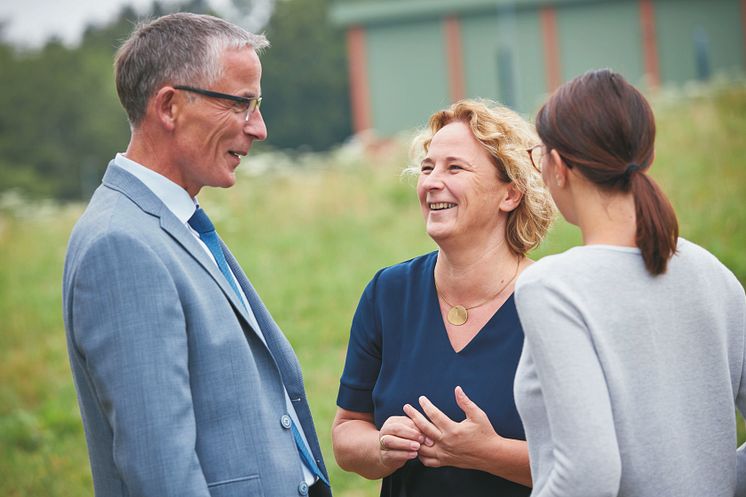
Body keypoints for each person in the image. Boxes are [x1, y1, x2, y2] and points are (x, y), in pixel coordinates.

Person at [62, 13, 331, 497]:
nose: (260, 128)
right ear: (169, 106)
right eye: (242, 104)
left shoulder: (167, 222)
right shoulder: (121, 246)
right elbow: (161, 471)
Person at [514, 68, 746, 497]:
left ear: (560, 165)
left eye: (539, 154)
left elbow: (588, 473)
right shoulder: (713, 273)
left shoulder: (553, 287)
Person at [332, 99, 554, 496]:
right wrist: (382, 447)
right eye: (427, 167)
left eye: (455, 168)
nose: (432, 181)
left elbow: (589, 464)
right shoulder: (388, 293)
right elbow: (348, 430)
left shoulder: (552, 302)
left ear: (511, 194)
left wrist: (488, 452)